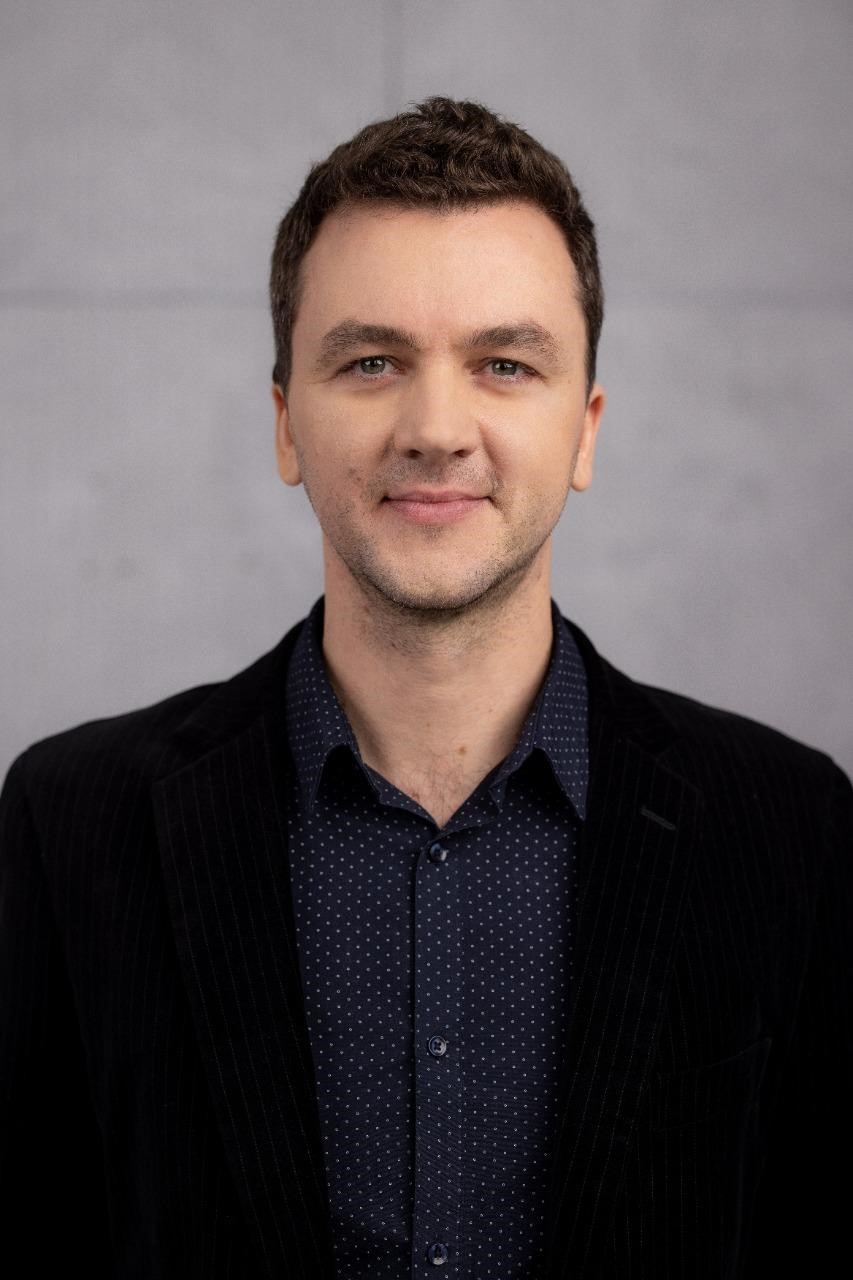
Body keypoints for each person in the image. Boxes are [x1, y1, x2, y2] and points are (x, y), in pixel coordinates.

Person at [1, 96, 850, 1280]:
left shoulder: (790, 826)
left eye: (504, 363)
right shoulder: (68, 823)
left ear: (584, 430)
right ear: (286, 424)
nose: (436, 427)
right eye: (371, 362)